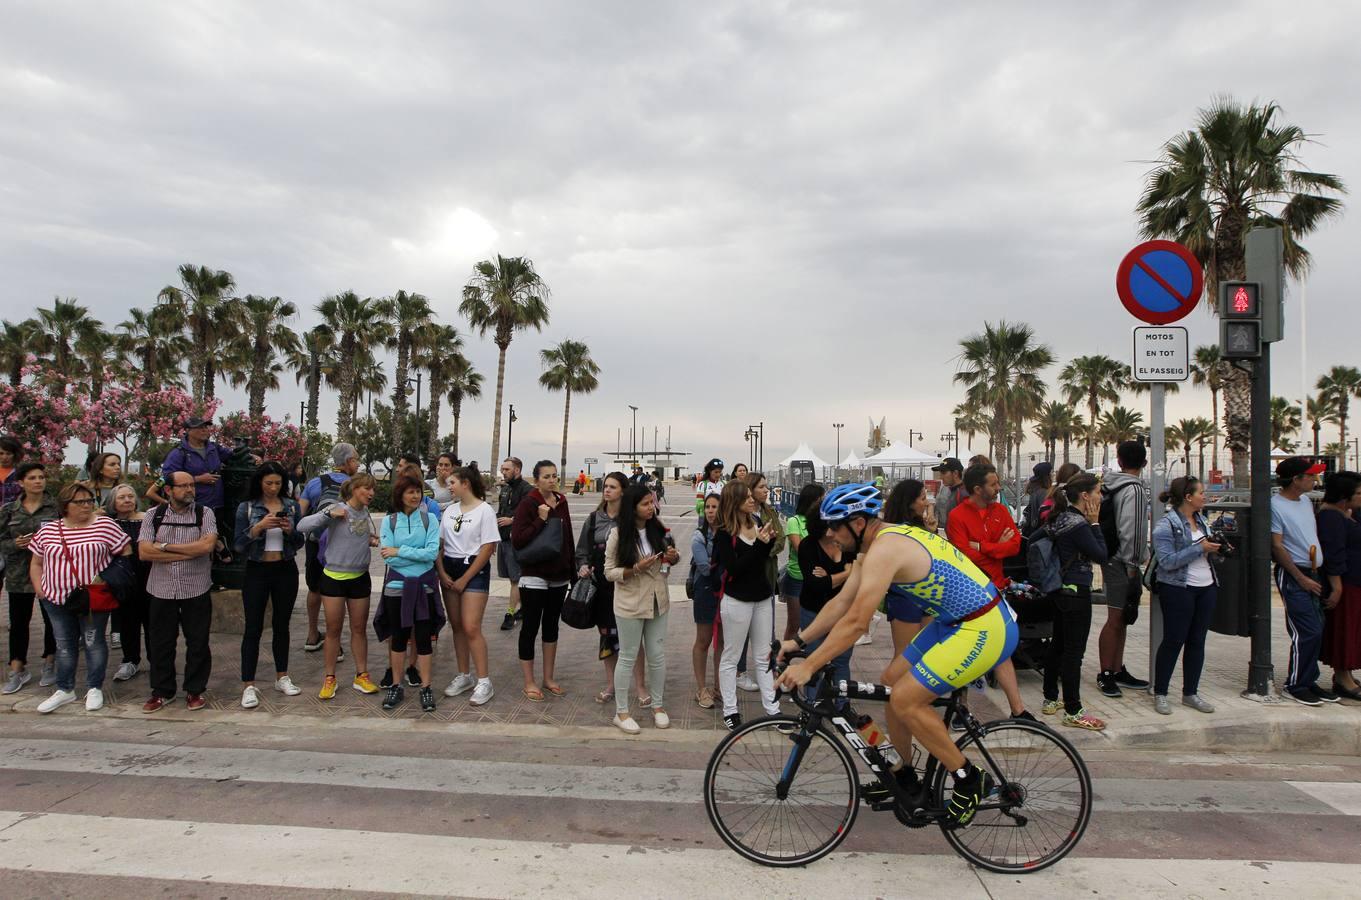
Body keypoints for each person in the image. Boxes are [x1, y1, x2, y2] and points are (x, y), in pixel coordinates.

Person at [777, 483, 1019, 827]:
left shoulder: (885, 550)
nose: (830, 534)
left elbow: (858, 621)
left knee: (906, 699)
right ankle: (903, 774)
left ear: (857, 523)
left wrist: (811, 666)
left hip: (984, 626)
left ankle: (968, 778)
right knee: (891, 682)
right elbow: (842, 602)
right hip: (954, 620)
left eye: (834, 526)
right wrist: (799, 642)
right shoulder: (875, 543)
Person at [28, 482, 133, 713]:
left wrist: (107, 576)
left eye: (89, 501)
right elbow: (36, 562)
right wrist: (40, 589)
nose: (86, 506)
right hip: (55, 598)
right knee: (64, 644)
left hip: (93, 598)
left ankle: (94, 687)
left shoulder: (105, 525)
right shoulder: (48, 530)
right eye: (80, 502)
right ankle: (65, 689)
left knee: (93, 642)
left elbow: (125, 552)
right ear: (65, 505)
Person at [946, 463, 1034, 722]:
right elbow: (964, 555)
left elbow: (1015, 546)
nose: (998, 488)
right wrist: (997, 546)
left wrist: (983, 546)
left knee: (1002, 649)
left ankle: (1018, 710)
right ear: (977, 489)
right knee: (966, 651)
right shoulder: (957, 516)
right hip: (968, 593)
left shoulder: (1000, 511)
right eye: (994, 484)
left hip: (996, 590)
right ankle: (961, 709)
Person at [137, 471, 219, 712]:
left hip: (196, 587)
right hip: (161, 589)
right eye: (183, 486)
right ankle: (162, 691)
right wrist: (186, 551)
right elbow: (144, 552)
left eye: (191, 485)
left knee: (198, 642)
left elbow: (206, 547)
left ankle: (195, 690)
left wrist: (163, 547)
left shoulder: (205, 513)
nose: (189, 490)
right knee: (160, 643)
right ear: (169, 490)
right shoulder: (154, 515)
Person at [297, 473, 380, 700]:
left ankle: (361, 675)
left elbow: (359, 536)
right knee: (333, 629)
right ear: (354, 489)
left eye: (373, 490)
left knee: (359, 629)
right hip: (333, 577)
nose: (371, 493)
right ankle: (330, 678)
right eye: (367, 489)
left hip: (360, 577)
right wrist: (327, 513)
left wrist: (371, 540)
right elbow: (302, 525)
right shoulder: (337, 508)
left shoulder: (365, 513)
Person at [604, 483, 679, 733]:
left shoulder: (657, 529)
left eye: (652, 503)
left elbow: (671, 559)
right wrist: (635, 569)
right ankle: (621, 712)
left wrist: (673, 557)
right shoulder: (618, 534)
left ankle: (658, 706)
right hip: (630, 603)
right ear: (633, 507)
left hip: (658, 600)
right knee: (627, 655)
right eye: (645, 504)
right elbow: (609, 572)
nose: (651, 508)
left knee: (657, 655)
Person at [1039, 474, 1109, 730]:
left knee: (1057, 645)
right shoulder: (1079, 524)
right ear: (1086, 496)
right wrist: (1095, 524)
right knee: (1073, 653)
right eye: (1098, 492)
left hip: (1058, 589)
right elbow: (1101, 555)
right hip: (1076, 592)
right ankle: (1073, 709)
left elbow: (1036, 538)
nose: (1101, 497)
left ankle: (1050, 698)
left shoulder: (1058, 517)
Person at [233, 461, 305, 709]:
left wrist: (288, 530)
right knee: (253, 627)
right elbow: (239, 545)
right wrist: (258, 528)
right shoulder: (247, 507)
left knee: (281, 625)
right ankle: (248, 684)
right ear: (259, 483)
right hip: (257, 569)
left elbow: (299, 542)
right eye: (269, 483)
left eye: (278, 483)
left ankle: (281, 676)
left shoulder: (291, 506)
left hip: (285, 569)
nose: (273, 488)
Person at [1150, 476, 1220, 715]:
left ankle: (1191, 692)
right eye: (1201, 492)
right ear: (1188, 497)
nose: (1205, 496)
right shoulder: (1166, 525)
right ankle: (1160, 692)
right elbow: (1167, 561)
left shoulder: (1202, 520)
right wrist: (1199, 548)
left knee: (1197, 641)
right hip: (1179, 588)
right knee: (1173, 640)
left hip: (1206, 586)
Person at [713, 478, 780, 730]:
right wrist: (761, 546)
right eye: (748, 497)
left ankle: (773, 710)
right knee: (731, 656)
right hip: (737, 599)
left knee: (764, 656)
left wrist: (768, 542)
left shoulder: (758, 522)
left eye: (753, 496)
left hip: (762, 597)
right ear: (736, 502)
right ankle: (730, 710)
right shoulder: (723, 532)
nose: (753, 500)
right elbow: (735, 569)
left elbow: (764, 558)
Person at [1271, 457, 1338, 705]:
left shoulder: (1305, 503)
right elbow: (1277, 546)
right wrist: (1300, 578)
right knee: (1307, 630)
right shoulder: (1275, 506)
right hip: (1295, 574)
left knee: (1317, 628)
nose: (1314, 479)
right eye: (1309, 476)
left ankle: (1308, 680)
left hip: (1312, 572)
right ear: (1295, 479)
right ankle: (1295, 684)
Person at [375, 475, 445, 713]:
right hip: (397, 587)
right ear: (400, 495)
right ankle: (396, 684)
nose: (415, 496)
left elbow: (431, 553)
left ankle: (426, 687)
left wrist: (400, 550)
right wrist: (408, 553)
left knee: (424, 638)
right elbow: (388, 555)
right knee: (398, 637)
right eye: (411, 492)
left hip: (423, 586)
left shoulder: (430, 520)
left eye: (419, 491)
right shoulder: (389, 521)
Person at [576, 472, 647, 705]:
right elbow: (582, 550)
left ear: (622, 492)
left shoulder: (630, 520)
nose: (607, 490)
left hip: (627, 585)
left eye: (612, 487)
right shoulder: (594, 518)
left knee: (631, 638)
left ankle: (640, 687)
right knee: (607, 637)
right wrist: (583, 566)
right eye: (605, 486)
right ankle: (611, 684)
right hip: (601, 587)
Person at [510, 460, 575, 701]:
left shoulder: (562, 501)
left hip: (559, 575)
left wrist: (573, 570)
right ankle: (529, 681)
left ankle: (548, 678)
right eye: (546, 476)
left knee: (551, 627)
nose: (551, 480)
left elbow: (567, 535)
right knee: (530, 627)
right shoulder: (529, 503)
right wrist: (540, 518)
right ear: (535, 480)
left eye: (554, 476)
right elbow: (518, 540)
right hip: (534, 574)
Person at [435, 465, 498, 706]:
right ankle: (464, 675)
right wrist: (442, 572)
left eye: (452, 482)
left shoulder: (484, 511)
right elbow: (440, 544)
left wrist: (465, 578)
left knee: (472, 626)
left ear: (466, 484)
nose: (448, 487)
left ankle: (484, 680)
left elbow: (488, 547)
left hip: (474, 570)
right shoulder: (450, 510)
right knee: (457, 625)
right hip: (449, 568)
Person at [1096, 440, 1153, 698]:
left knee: (1121, 617)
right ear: (1144, 463)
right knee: (1117, 618)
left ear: (1119, 461)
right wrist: (1133, 565)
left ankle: (1115, 669)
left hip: (1112, 557)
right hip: (1124, 562)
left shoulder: (1112, 486)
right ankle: (1107, 671)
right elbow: (1132, 529)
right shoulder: (1135, 490)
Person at [1, 461, 58, 694]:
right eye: (32, 478)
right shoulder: (9, 510)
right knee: (19, 623)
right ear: (21, 482)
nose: (38, 482)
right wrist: (14, 544)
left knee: (52, 620)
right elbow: (1, 541)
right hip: (18, 574)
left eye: (41, 477)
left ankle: (50, 663)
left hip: (51, 572)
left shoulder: (56, 508)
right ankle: (18, 668)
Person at [299, 443, 360, 654]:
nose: (358, 464)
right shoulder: (356, 485)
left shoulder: (315, 482)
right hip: (342, 547)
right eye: (357, 460)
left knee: (314, 588)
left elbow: (301, 512)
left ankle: (312, 634)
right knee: (336, 593)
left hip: (315, 544)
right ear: (349, 462)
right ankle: (336, 643)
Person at [796, 499, 855, 710]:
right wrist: (847, 572)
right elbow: (816, 584)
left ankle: (842, 705)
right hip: (813, 610)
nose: (835, 530)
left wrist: (831, 576)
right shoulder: (808, 545)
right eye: (831, 524)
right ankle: (814, 705)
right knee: (815, 659)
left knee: (841, 660)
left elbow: (858, 577)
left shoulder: (849, 544)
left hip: (843, 612)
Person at [1319, 471, 1361, 700]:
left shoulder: (1347, 514)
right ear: (1344, 496)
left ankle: (1348, 674)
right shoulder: (1330, 517)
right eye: (1358, 493)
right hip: (1346, 583)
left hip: (1355, 581)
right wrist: (1337, 587)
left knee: (1354, 630)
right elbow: (1334, 554)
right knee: (1345, 630)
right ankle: (1342, 676)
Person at [105, 484, 151, 684]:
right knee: (127, 621)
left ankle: (156, 659)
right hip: (122, 579)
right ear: (113, 502)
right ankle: (130, 660)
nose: (127, 500)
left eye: (130, 496)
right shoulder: (107, 523)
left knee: (153, 622)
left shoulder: (147, 519)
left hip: (148, 576)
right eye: (121, 497)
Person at [157, 417, 228, 515]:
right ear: (188, 430)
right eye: (199, 427)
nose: (204, 430)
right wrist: (198, 479)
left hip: (217, 505)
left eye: (206, 427)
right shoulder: (178, 453)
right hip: (191, 507)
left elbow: (232, 455)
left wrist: (252, 456)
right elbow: (167, 477)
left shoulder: (214, 448)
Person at [780, 484, 825, 642]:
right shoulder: (795, 521)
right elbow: (802, 550)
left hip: (818, 577)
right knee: (794, 623)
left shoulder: (823, 522)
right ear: (811, 501)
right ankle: (783, 659)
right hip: (797, 577)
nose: (823, 503)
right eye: (821, 500)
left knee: (815, 624)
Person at [690, 493, 722, 708]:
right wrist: (723, 562)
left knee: (722, 643)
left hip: (725, 592)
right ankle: (701, 688)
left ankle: (720, 688)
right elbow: (703, 566)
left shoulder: (729, 532)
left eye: (715, 507)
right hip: (705, 590)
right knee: (703, 640)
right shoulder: (698, 536)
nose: (710, 510)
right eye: (708, 507)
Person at [496, 457, 533, 630]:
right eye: (502, 469)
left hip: (515, 541)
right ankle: (524, 608)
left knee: (515, 579)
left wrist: (513, 520)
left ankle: (510, 613)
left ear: (517, 470)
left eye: (507, 469)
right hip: (502, 539)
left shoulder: (527, 490)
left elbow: (531, 513)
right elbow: (500, 511)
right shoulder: (504, 490)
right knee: (511, 577)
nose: (503, 472)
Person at [1019, 461, 1053, 538]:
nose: (1053, 475)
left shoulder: (1035, 491)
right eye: (1051, 473)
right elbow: (1045, 515)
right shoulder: (1043, 493)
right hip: (1040, 533)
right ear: (1047, 476)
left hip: (1033, 530)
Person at [930, 458, 965, 531]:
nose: (940, 477)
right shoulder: (952, 490)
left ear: (955, 473)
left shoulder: (963, 493)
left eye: (944, 473)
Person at [0, 436, 24, 507]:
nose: (4, 457)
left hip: (16, 516)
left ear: (15, 455)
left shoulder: (22, 474)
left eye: (8, 454)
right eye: (1, 453)